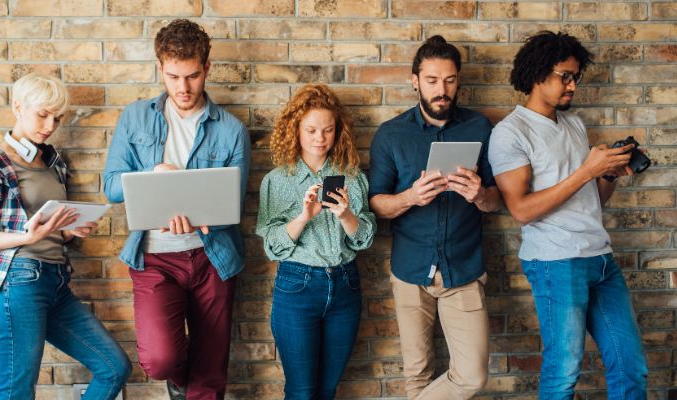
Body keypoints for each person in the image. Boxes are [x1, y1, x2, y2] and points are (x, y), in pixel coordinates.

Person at [488, 31, 647, 400]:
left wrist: (607, 174)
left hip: (600, 259)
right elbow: (521, 210)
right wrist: (587, 171)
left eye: (576, 76)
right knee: (563, 373)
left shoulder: (573, 124)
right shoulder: (510, 133)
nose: (573, 85)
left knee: (630, 366)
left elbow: (591, 202)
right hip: (556, 263)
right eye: (565, 76)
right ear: (537, 75)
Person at [102, 19, 251, 400]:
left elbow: (233, 201)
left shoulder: (231, 130)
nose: (183, 88)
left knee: (211, 372)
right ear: (160, 69)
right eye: (173, 77)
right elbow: (111, 186)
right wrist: (154, 174)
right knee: (161, 360)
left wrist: (199, 213)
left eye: (192, 76)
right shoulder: (135, 117)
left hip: (211, 256)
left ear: (207, 68)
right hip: (154, 258)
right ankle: (178, 378)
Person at [0, 73, 131, 400]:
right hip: (16, 284)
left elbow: (52, 230)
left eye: (57, 118)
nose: (50, 125)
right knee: (16, 394)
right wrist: (25, 236)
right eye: (42, 115)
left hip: (55, 283)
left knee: (114, 367)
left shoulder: (54, 163)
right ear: (18, 107)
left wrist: (69, 231)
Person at [368, 35, 501, 400]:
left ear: (458, 80)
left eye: (449, 80)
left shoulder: (480, 128)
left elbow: (497, 201)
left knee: (471, 376)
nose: (441, 90)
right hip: (410, 271)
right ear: (415, 81)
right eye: (431, 80)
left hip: (463, 268)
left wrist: (479, 195)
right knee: (417, 377)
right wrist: (410, 197)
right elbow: (376, 204)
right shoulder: (391, 134)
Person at [256, 84, 376, 399]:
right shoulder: (277, 181)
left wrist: (346, 214)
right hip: (297, 287)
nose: (319, 139)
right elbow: (272, 247)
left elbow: (364, 240)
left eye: (327, 130)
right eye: (310, 130)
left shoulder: (352, 177)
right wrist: (303, 217)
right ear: (294, 130)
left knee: (326, 390)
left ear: (338, 132)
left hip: (345, 286)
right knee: (301, 391)